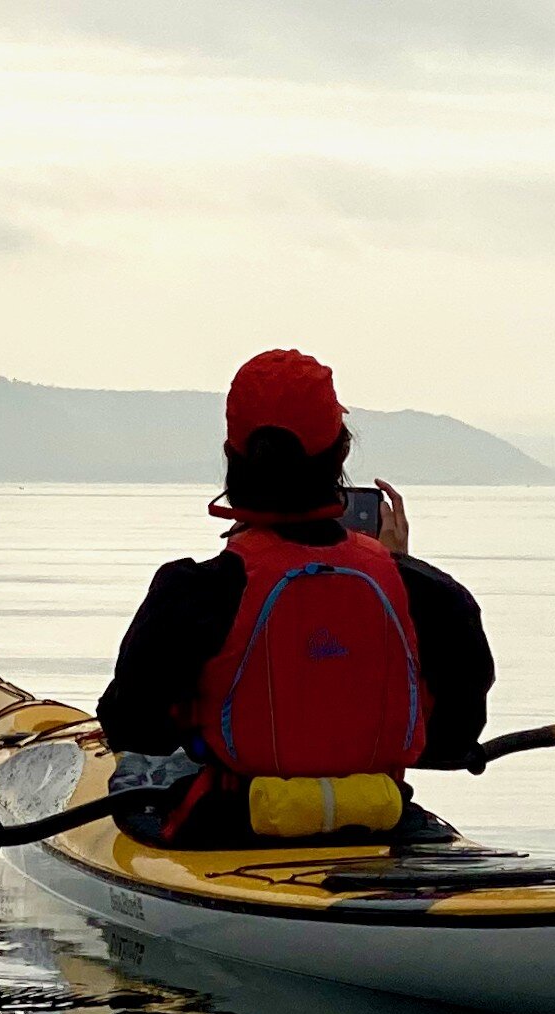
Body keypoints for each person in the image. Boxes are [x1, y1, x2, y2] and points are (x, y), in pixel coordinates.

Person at [97, 349, 494, 845]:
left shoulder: (191, 592)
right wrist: (399, 568)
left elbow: (135, 729)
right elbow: (452, 743)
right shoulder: (434, 596)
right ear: (341, 454)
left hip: (228, 829)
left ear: (232, 454)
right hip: (381, 824)